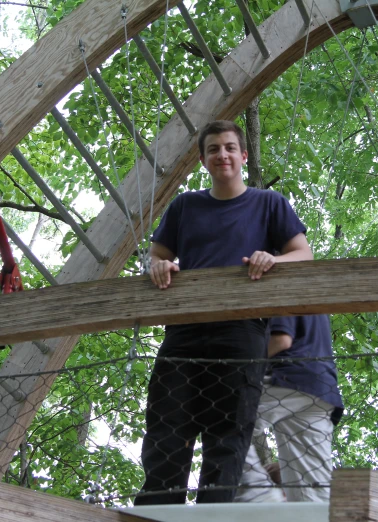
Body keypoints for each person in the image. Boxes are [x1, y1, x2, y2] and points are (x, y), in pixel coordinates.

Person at [134, 120, 313, 505]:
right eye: (213, 149)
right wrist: (161, 266)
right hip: (184, 327)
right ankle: (156, 512)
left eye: (230, 147)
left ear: (243, 156)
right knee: (168, 421)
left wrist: (274, 259)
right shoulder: (185, 206)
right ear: (203, 159)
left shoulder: (269, 203)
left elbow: (304, 253)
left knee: (228, 431)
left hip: (242, 328)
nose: (223, 155)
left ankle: (214, 513)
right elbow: (158, 255)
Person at [235, 314, 344, 503]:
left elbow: (281, 340)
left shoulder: (284, 291)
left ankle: (259, 493)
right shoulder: (318, 303)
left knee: (224, 417)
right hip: (322, 389)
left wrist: (243, 367)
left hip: (289, 378)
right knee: (310, 480)